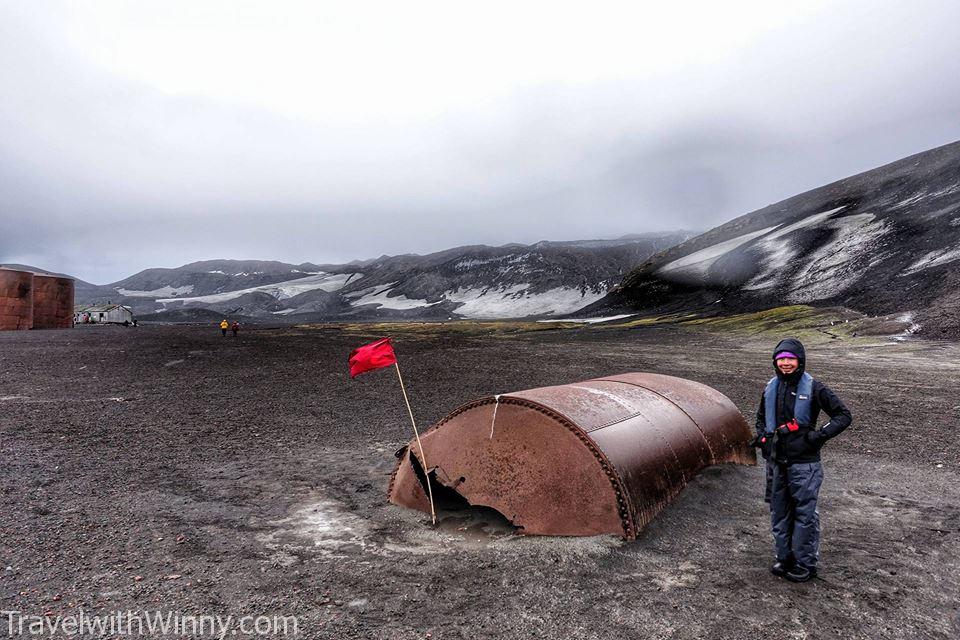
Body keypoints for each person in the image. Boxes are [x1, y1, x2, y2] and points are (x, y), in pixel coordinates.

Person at [753, 337, 851, 583]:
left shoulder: (816, 388)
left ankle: (805, 563)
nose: (785, 363)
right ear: (775, 362)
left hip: (804, 464)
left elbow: (843, 415)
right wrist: (763, 438)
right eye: (781, 359)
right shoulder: (770, 388)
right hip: (777, 461)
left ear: (799, 361)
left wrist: (817, 437)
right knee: (779, 511)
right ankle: (784, 557)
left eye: (790, 358)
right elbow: (761, 419)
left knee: (804, 514)